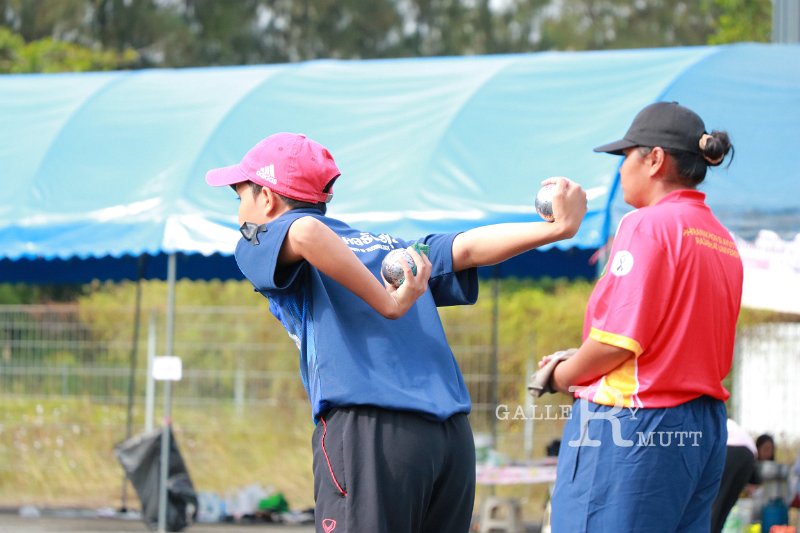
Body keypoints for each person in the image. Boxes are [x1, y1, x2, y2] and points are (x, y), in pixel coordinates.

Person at [205, 132, 587, 533]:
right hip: (450, 439)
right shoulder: (388, 247)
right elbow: (466, 248)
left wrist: (388, 303)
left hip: (371, 431)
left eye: (240, 196)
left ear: (267, 198)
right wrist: (555, 229)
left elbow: (304, 232)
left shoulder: (265, 236)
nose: (240, 210)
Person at [531, 102, 741, 532]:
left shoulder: (646, 224)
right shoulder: (720, 238)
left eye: (626, 155)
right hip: (703, 426)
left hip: (635, 423)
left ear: (655, 159)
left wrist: (560, 375)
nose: (621, 167)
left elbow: (616, 342)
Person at [711, 419, 760, 533]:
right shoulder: (726, 422)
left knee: (713, 505)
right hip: (749, 454)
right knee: (723, 508)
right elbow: (754, 483)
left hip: (730, 447)